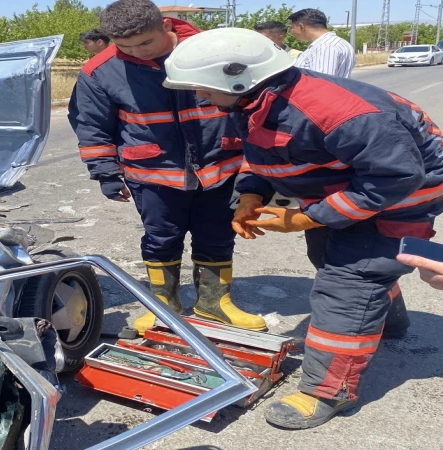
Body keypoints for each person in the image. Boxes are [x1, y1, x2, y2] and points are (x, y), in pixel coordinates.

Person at [163, 27, 443, 430]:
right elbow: (265, 153)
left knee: (350, 282)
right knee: (328, 256)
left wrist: (309, 217)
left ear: (238, 79)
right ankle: (387, 319)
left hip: (400, 197)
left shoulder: (336, 112)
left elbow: (396, 177)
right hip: (347, 187)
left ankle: (328, 391)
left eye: (203, 87)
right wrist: (251, 194)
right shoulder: (257, 101)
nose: (199, 95)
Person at [68, 0, 266, 334]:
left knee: (217, 235)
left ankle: (214, 303)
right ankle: (164, 306)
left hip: (220, 166)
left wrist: (257, 165)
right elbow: (91, 125)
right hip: (153, 174)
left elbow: (254, 105)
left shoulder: (213, 51)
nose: (137, 52)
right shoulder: (99, 70)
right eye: (125, 46)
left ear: (166, 25)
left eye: (145, 42)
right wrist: (105, 172)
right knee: (161, 239)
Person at [288, 8, 355, 77]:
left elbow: (322, 80)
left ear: (301, 27)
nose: (291, 32)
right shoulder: (338, 42)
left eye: (292, 27)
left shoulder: (325, 46)